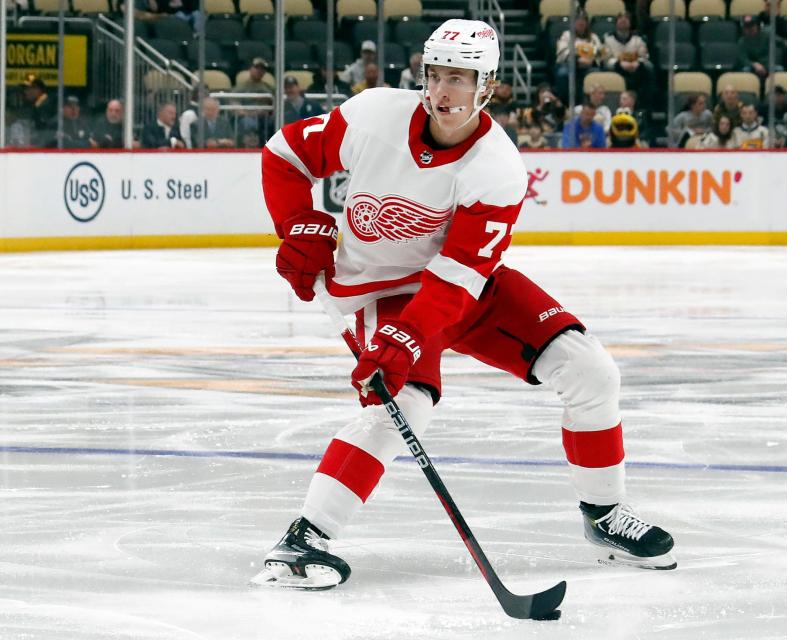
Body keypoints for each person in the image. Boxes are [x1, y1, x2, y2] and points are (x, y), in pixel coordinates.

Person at [255, 18, 676, 590]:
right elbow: (284, 155)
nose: (446, 90)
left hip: (460, 286)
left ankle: (604, 516)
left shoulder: (497, 169)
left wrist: (412, 336)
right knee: (403, 402)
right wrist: (296, 225)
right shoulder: (373, 114)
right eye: (437, 75)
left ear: (488, 85)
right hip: (373, 288)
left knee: (591, 370)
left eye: (462, 77)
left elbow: (459, 278)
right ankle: (303, 540)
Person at [554, 11, 604, 100]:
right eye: (578, 20)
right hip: (570, 65)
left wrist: (592, 60)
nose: (581, 23)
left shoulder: (593, 37)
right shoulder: (566, 35)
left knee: (596, 73)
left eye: (583, 20)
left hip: (589, 66)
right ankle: (566, 102)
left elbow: (600, 53)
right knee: (563, 73)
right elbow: (562, 51)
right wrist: (577, 59)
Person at [602, 13, 652, 97]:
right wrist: (619, 63)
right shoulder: (607, 39)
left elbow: (644, 57)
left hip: (636, 69)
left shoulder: (638, 39)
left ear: (630, 23)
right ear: (616, 23)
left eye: (626, 19)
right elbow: (605, 59)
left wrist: (638, 63)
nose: (623, 20)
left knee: (648, 70)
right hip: (616, 69)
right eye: (620, 19)